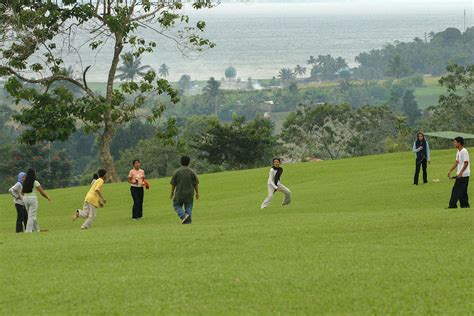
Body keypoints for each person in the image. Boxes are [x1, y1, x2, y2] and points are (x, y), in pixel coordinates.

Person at [170, 156, 199, 224]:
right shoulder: (192, 172)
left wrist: (172, 193)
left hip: (179, 193)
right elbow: (195, 183)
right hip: (189, 194)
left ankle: (184, 216)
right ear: (189, 162)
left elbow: (173, 184)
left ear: (181, 162)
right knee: (188, 206)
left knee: (176, 205)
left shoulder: (177, 172)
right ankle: (188, 221)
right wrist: (197, 193)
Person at [22, 168, 51, 233]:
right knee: (31, 215)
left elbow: (22, 192)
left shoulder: (25, 182)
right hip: (33, 199)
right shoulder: (35, 182)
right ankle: (28, 231)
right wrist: (47, 197)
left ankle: (37, 230)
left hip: (25, 199)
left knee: (31, 215)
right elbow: (42, 192)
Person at [447, 137, 470, 209]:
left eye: (455, 142)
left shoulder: (464, 151)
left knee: (456, 190)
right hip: (460, 174)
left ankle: (452, 205)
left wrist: (461, 173)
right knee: (463, 192)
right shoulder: (458, 151)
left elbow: (466, 163)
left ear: (459, 143)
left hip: (464, 175)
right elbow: (457, 162)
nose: (454, 143)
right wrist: (450, 170)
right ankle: (465, 206)